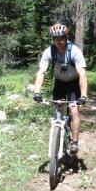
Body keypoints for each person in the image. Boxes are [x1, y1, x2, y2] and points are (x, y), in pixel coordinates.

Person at [33, 23, 88, 154]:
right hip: (59, 83)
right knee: (57, 109)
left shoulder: (75, 51)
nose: (60, 41)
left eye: (62, 38)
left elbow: (83, 74)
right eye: (56, 39)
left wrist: (84, 95)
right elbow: (41, 72)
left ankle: (74, 143)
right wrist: (36, 92)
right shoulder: (49, 52)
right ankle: (58, 134)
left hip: (73, 84)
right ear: (53, 39)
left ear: (66, 37)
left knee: (74, 111)